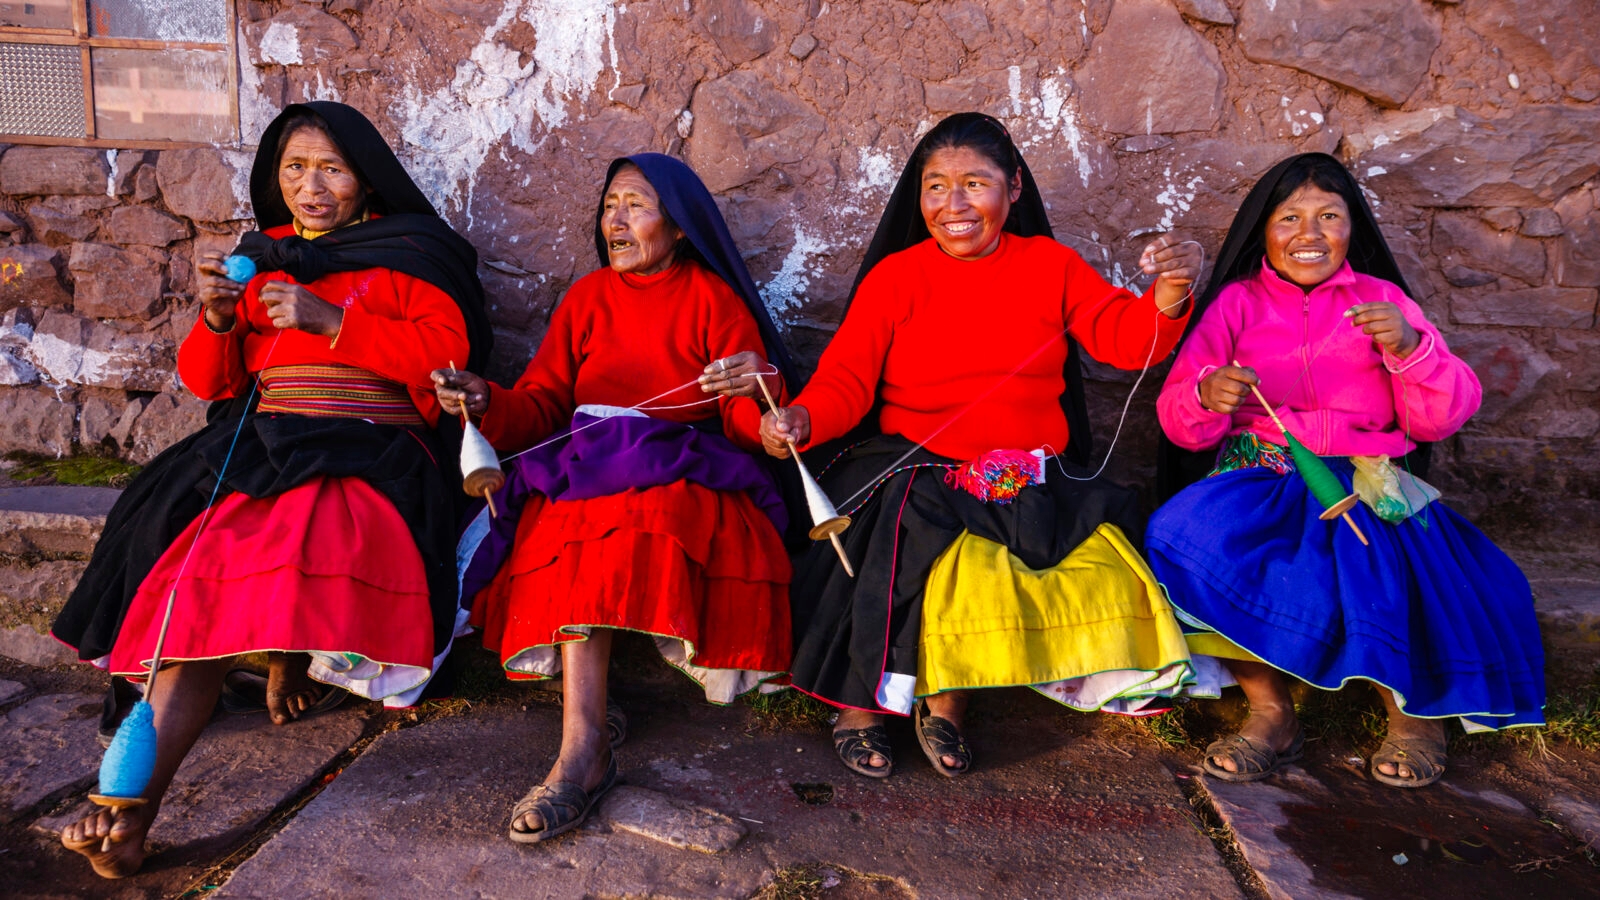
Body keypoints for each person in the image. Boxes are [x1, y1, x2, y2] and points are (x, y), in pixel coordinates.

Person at [51, 101, 491, 877]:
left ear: (366, 177)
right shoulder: (265, 258)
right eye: (294, 169)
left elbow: (446, 370)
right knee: (200, 575)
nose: (310, 186)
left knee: (299, 534)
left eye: (331, 168)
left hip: (372, 446)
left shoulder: (414, 254)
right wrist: (220, 321)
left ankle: (282, 656)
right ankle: (130, 813)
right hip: (264, 442)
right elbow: (211, 383)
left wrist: (333, 322)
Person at [760, 112, 1206, 779]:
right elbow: (846, 384)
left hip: (1025, 473)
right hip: (916, 465)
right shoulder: (896, 278)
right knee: (906, 542)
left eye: (975, 183)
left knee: (1055, 568)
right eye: (936, 187)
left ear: (1014, 189)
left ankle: (945, 706)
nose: (953, 205)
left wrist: (1170, 292)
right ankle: (858, 706)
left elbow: (1124, 339)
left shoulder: (1050, 266)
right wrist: (797, 420)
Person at [1145, 152, 1545, 788]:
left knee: (1385, 568)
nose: (1309, 234)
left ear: (1351, 227)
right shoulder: (1235, 306)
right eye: (1290, 219)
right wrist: (1207, 393)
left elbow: (1441, 417)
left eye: (1328, 216)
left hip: (1367, 478)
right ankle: (1272, 715)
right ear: (1263, 232)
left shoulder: (1384, 302)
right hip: (1264, 476)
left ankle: (1414, 717)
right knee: (1193, 535)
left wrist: (1411, 350)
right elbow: (1177, 416)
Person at [435, 153, 796, 842]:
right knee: (574, 521)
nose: (617, 221)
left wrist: (766, 409)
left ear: (681, 226)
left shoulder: (712, 300)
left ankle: (585, 746)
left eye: (636, 204)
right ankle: (583, 747)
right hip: (585, 459)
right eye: (609, 207)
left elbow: (741, 417)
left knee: (639, 514)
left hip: (678, 459)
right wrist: (486, 399)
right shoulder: (587, 299)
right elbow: (542, 402)